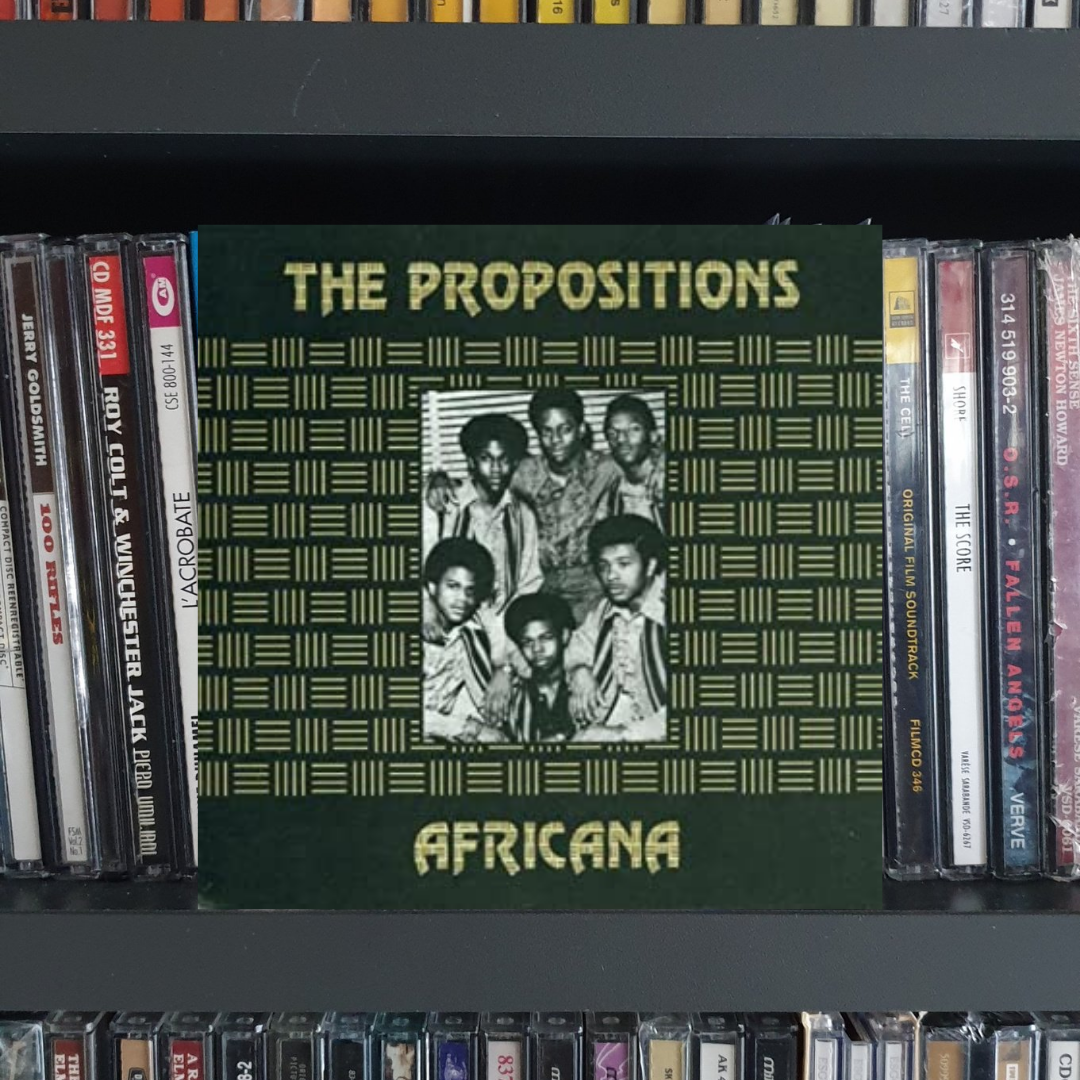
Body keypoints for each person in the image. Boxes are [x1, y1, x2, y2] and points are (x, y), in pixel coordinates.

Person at [424, 412, 542, 614]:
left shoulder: (524, 515)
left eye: (503, 459)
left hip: (502, 623)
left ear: (515, 463)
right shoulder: (444, 504)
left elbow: (529, 582)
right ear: (471, 461)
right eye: (486, 458)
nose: (496, 468)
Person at [567, 515, 667, 743]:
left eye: (623, 564)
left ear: (651, 565)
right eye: (604, 566)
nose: (611, 576)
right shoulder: (606, 608)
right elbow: (578, 644)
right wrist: (579, 671)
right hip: (614, 720)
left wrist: (622, 734)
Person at [422, 537, 505, 744]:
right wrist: (469, 728)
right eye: (453, 586)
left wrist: (503, 671)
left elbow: (501, 631)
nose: (462, 599)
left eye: (470, 590)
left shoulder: (471, 629)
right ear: (432, 587)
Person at [503, 592, 577, 744]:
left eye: (546, 638)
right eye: (528, 642)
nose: (537, 649)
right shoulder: (513, 693)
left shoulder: (583, 686)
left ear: (564, 636)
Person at [600, 393, 665, 531]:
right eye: (612, 433)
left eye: (634, 429)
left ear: (653, 436)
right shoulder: (613, 490)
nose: (621, 439)